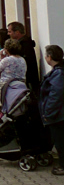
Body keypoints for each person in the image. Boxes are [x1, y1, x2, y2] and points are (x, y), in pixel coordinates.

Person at [39, 45, 64, 176]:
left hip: (58, 114)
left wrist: (48, 112)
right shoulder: (58, 72)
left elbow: (56, 95)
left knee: (60, 141)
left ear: (49, 57)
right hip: (58, 113)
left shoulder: (58, 74)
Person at [8, 22, 40, 92]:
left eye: (10, 32)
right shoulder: (23, 43)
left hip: (27, 79)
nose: (8, 34)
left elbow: (26, 62)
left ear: (17, 32)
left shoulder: (24, 45)